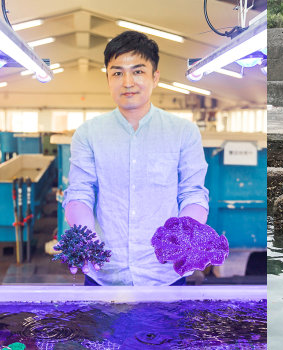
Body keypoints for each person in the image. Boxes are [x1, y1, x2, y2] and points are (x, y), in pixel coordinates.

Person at [62, 31, 209, 286]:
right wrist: (84, 235)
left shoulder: (183, 132)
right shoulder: (88, 133)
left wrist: (184, 234)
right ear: (108, 79)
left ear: (155, 77)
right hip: (104, 273)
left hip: (164, 275)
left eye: (138, 71)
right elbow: (80, 192)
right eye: (117, 73)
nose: (127, 82)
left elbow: (193, 194)